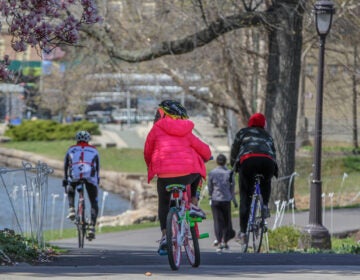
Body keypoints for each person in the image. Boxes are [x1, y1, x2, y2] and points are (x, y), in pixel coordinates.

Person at [144, 100, 212, 254]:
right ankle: (193, 204)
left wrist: (151, 166)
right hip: (186, 177)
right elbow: (203, 149)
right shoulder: (186, 131)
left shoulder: (155, 129)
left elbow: (147, 152)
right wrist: (208, 156)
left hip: (165, 176)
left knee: (163, 202)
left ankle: (164, 237)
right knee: (198, 173)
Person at [230, 113, 278, 245]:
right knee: (266, 182)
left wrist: (233, 163)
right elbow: (273, 152)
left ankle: (243, 233)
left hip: (248, 161)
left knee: (245, 198)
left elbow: (235, 149)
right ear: (264, 124)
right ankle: (264, 205)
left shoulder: (243, 132)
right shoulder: (268, 135)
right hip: (267, 162)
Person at [62, 130, 100, 239]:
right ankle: (92, 226)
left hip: (75, 176)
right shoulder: (94, 150)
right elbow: (97, 167)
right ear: (88, 140)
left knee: (71, 187)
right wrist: (97, 181)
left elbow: (66, 166)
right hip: (90, 177)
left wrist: (65, 179)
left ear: (76, 139)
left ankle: (72, 209)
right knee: (94, 201)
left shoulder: (71, 149)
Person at [208, 153, 237, 252]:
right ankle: (225, 242)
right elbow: (232, 187)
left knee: (217, 221)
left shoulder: (212, 173)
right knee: (226, 221)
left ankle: (219, 242)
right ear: (225, 162)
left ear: (216, 162)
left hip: (215, 199)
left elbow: (210, 186)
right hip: (226, 200)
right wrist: (234, 200)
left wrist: (210, 196)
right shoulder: (229, 173)